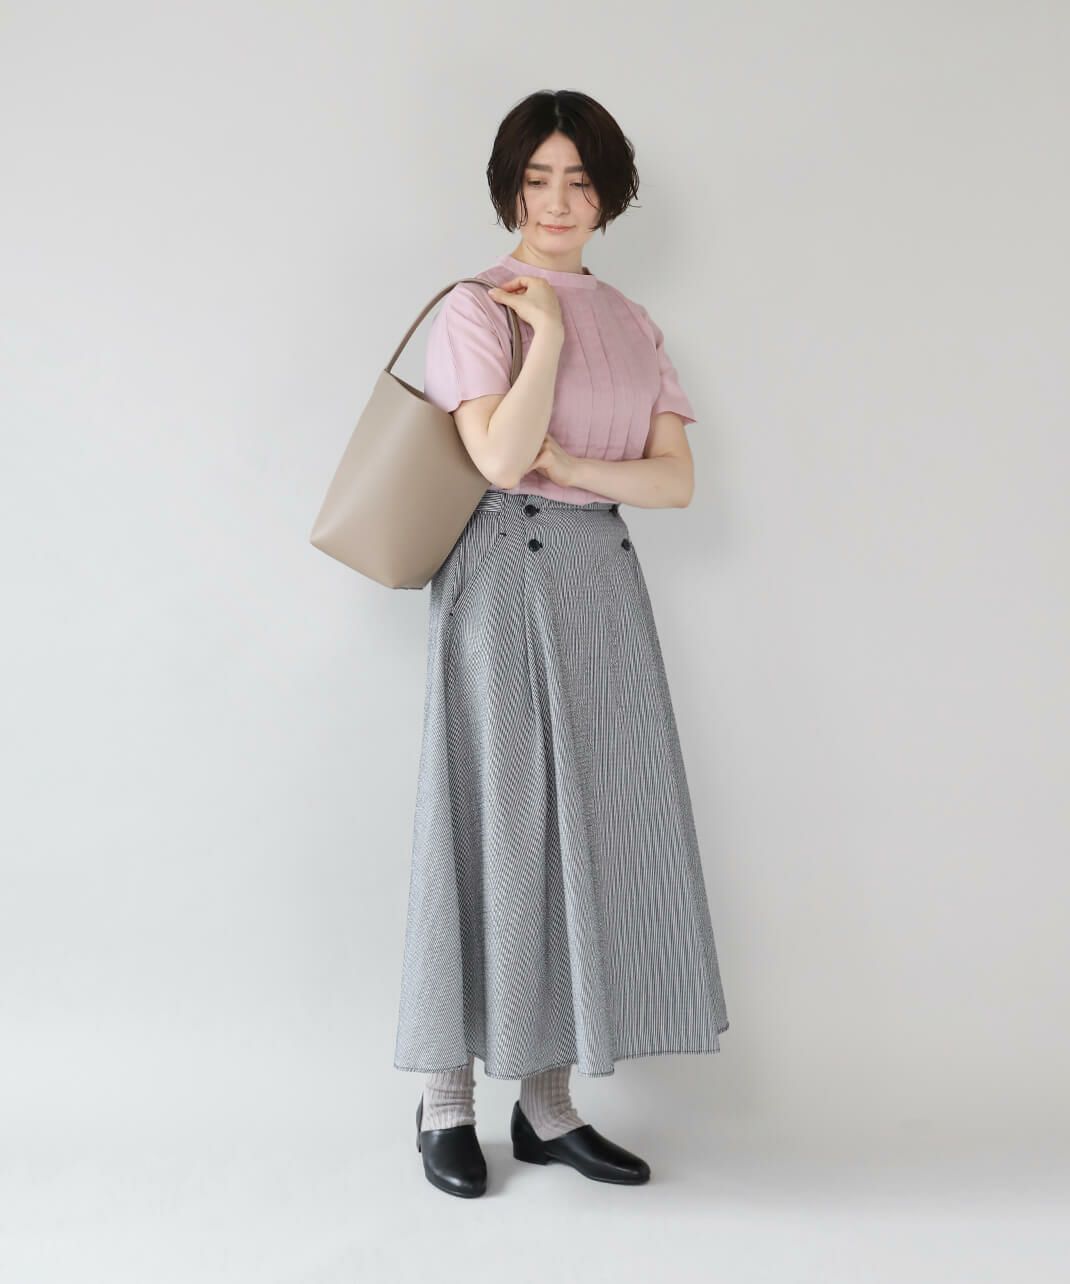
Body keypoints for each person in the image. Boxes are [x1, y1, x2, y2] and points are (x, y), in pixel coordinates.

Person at [394, 89, 729, 1198]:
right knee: (489, 818)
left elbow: (674, 482)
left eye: (578, 181)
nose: (556, 201)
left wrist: (582, 469)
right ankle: (445, 1100)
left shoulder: (633, 320)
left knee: (588, 827)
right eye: (536, 179)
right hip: (499, 572)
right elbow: (497, 459)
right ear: (508, 188)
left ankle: (546, 1106)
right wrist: (540, 333)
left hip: (600, 582)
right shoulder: (476, 306)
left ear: (608, 194)